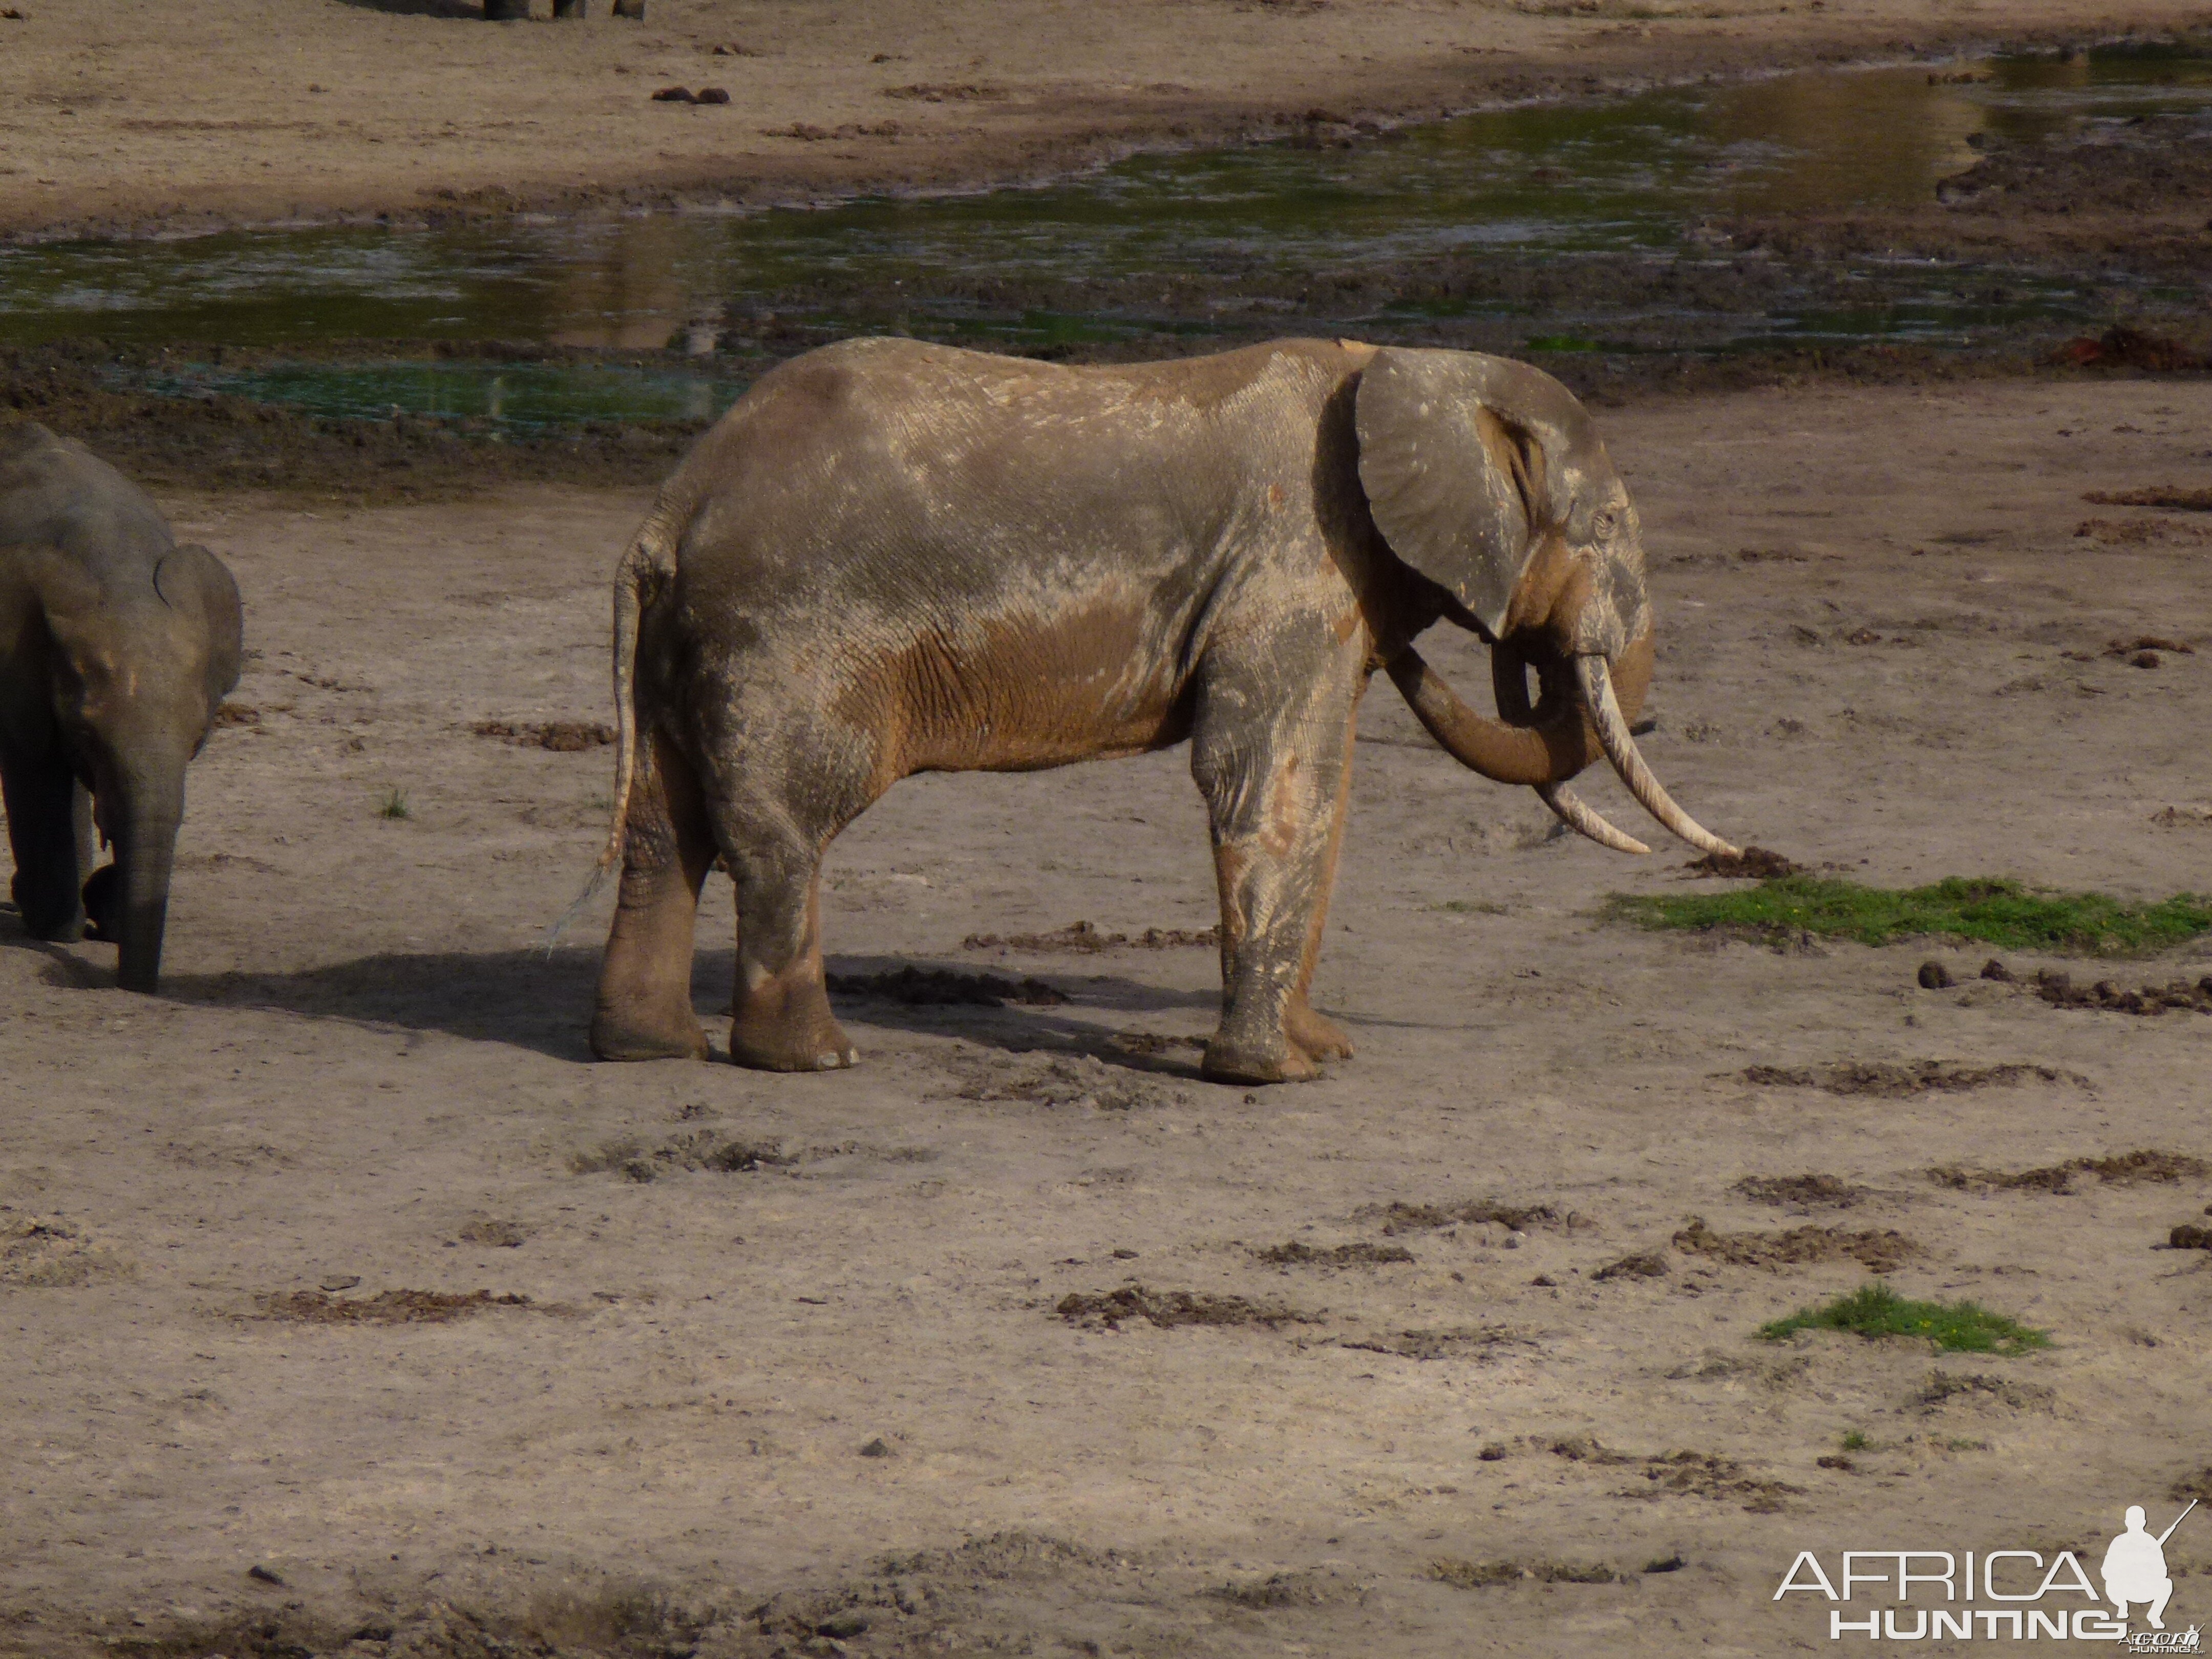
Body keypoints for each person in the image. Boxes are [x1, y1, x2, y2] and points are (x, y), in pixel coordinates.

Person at [2102, 1505, 2176, 1629]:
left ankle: (2154, 1616)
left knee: (2167, 1584)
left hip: (2145, 1589)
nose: (2135, 1524)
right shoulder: (2118, 1541)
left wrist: (2146, 1568)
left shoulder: (2151, 1542)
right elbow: (2106, 1571)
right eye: (2132, 1521)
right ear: (2126, 1523)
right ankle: (2122, 1606)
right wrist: (2124, 1569)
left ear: (2144, 1523)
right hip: (2123, 1589)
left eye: (2138, 1521)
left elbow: (2163, 1572)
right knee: (2110, 1583)